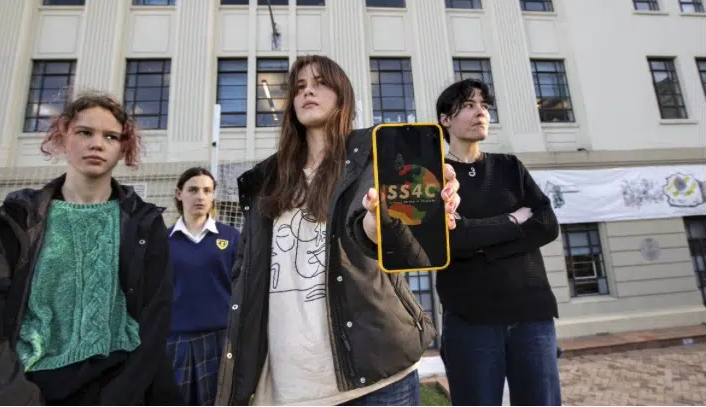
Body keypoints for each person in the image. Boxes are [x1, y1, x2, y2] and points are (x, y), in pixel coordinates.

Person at [214, 55, 461, 406]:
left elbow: (405, 249)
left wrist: (386, 222)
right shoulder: (265, 181)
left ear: (343, 95)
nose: (307, 92)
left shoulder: (375, 157)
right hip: (289, 384)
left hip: (376, 379)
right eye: (299, 87)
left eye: (320, 83)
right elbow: (246, 271)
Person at [0, 92, 183, 405]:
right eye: (84, 132)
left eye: (110, 136)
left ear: (122, 149)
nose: (97, 143)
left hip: (119, 385)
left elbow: (155, 321)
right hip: (27, 386)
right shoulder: (9, 223)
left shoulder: (145, 225)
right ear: (63, 137)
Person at [435, 79, 562, 406]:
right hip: (470, 320)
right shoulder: (434, 177)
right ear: (445, 120)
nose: (481, 113)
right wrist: (512, 220)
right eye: (469, 106)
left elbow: (547, 225)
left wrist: (479, 240)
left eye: (485, 106)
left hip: (532, 315)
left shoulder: (509, 167)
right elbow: (451, 239)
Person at [167, 167, 240, 405]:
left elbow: (242, 288)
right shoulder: (161, 240)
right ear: (179, 194)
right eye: (193, 190)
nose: (200, 196)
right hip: (176, 341)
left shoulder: (231, 237)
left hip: (221, 339)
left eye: (207, 190)